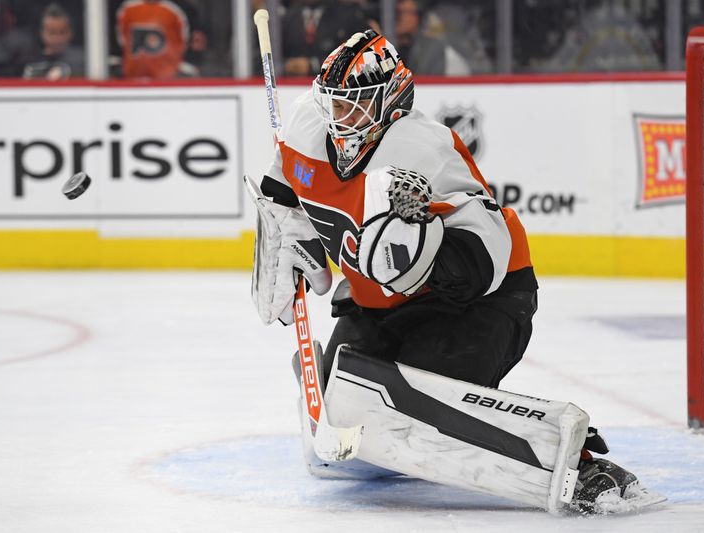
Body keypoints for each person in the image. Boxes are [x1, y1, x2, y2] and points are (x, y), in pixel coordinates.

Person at [246, 30, 663, 514]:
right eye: (334, 105)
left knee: (420, 410)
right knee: (344, 403)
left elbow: (490, 247)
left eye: (354, 107)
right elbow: (282, 190)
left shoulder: (425, 150)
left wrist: (421, 254)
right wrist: (287, 237)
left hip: (475, 304)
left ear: (389, 104)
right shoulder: (305, 127)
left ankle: (574, 461)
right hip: (378, 305)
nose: (340, 119)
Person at [280, 0, 367, 76]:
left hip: (334, 85)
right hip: (291, 86)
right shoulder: (287, 17)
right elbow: (277, 54)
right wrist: (287, 65)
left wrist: (313, 65)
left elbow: (355, 55)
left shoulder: (348, 15)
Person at [116, 0, 192, 79]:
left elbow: (182, 44)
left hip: (167, 77)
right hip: (133, 76)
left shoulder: (176, 10)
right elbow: (122, 41)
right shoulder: (127, 9)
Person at [22, 3, 84, 80]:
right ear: (42, 33)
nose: (57, 38)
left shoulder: (81, 61)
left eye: (62, 32)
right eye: (52, 33)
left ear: (71, 33)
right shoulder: (31, 61)